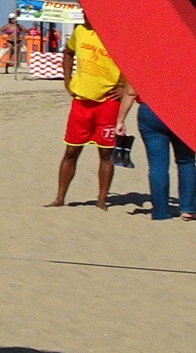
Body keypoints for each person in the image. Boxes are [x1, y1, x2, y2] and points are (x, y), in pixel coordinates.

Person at [49, 15, 134, 209]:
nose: (86, 15)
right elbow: (68, 53)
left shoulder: (117, 35)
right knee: (71, 150)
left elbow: (134, 65)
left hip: (108, 102)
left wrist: (126, 89)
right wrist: (67, 80)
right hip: (82, 102)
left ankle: (102, 199)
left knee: (106, 154)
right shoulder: (80, 31)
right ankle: (60, 198)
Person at [135, 101, 196, 220]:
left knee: (157, 164)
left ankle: (160, 212)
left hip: (152, 110)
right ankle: (188, 209)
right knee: (186, 162)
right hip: (183, 110)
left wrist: (121, 119)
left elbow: (130, 92)